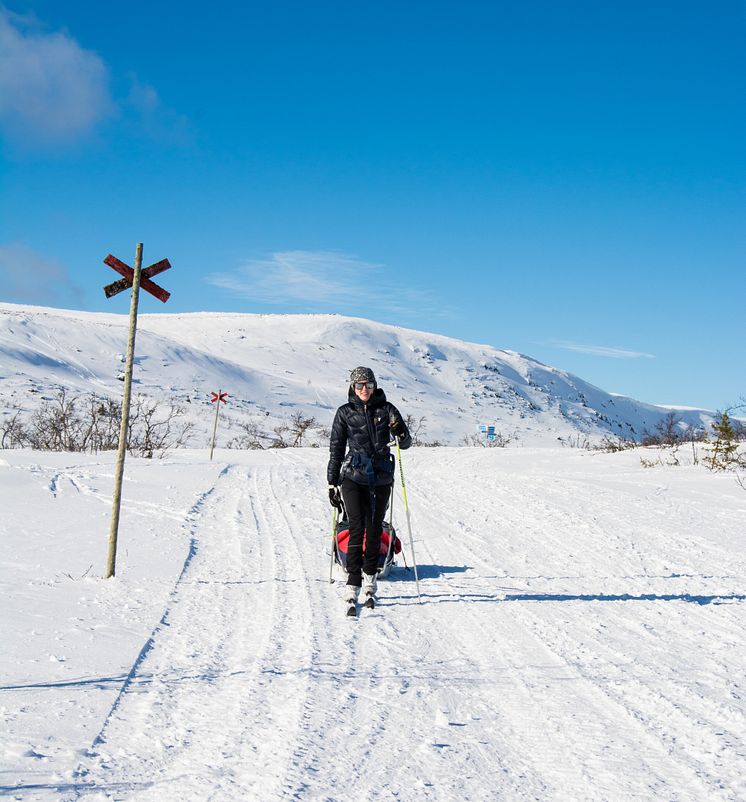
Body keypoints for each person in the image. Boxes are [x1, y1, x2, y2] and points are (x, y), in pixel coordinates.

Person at [327, 366, 411, 612]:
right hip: (353, 476)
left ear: (375, 386)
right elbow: (336, 448)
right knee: (356, 527)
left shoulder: (387, 409)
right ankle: (353, 581)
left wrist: (400, 432)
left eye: (369, 385)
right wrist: (332, 482)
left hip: (381, 477)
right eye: (360, 385)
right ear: (353, 387)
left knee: (374, 528)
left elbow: (404, 443)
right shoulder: (344, 412)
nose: (365, 389)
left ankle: (371, 578)